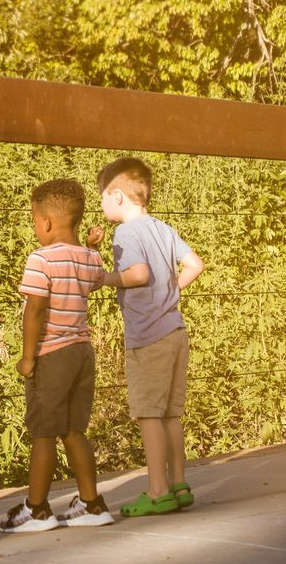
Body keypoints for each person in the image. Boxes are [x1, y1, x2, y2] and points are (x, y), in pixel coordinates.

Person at [88, 156, 205, 516]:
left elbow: (137, 274)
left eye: (103, 198)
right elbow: (195, 265)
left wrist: (104, 279)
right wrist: (170, 293)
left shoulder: (126, 233)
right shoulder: (162, 228)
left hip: (148, 337)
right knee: (171, 414)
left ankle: (157, 490)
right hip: (174, 330)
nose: (102, 205)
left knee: (148, 414)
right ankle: (178, 484)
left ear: (118, 196)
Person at [2, 179, 116, 533]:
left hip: (51, 355)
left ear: (47, 223)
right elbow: (93, 278)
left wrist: (27, 357)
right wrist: (91, 246)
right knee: (74, 431)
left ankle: (36, 509)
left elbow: (34, 309)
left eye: (35, 220)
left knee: (43, 433)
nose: (36, 227)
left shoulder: (40, 259)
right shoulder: (87, 257)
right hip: (82, 353)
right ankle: (92, 503)